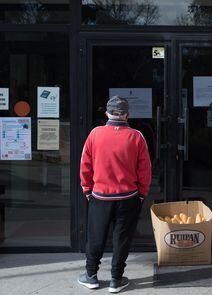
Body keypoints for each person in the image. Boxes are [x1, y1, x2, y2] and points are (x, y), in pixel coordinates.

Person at [78, 95, 151, 293]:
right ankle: (116, 280)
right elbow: (145, 170)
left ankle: (91, 276)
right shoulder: (137, 136)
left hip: (100, 196)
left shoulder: (95, 134)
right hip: (128, 197)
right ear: (128, 115)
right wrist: (142, 194)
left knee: (95, 237)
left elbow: (85, 166)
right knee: (122, 239)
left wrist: (87, 190)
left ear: (107, 113)